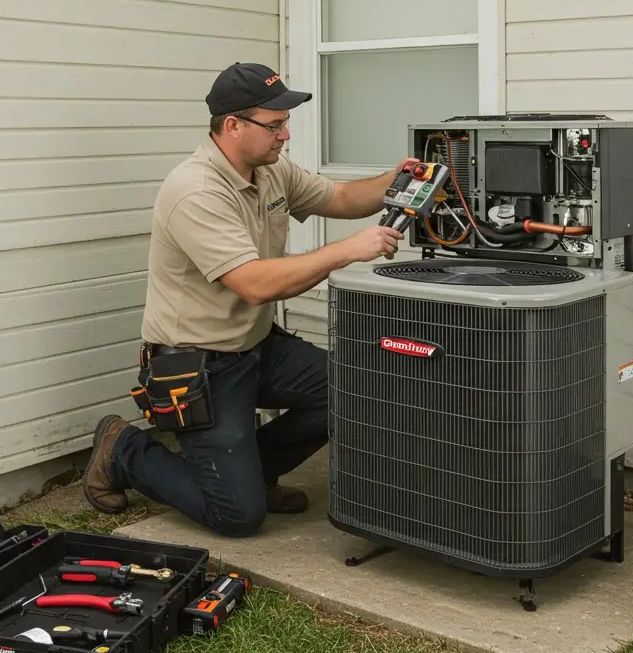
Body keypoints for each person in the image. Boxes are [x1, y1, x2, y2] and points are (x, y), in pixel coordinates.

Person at [82, 61, 417, 538]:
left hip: (257, 347)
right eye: (275, 125)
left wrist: (400, 178)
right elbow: (255, 283)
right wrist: (348, 250)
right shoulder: (195, 190)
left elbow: (341, 197)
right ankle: (123, 450)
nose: (284, 136)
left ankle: (253, 474)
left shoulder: (271, 170)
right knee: (237, 517)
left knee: (353, 389)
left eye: (286, 124)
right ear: (233, 126)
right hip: (199, 366)